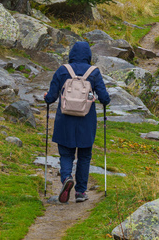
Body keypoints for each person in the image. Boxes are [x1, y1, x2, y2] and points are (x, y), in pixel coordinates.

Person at [43, 41, 110, 203]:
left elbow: (51, 97)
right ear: (88, 55)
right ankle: (80, 192)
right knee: (85, 156)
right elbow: (105, 98)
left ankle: (66, 177)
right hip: (86, 121)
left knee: (66, 153)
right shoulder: (94, 72)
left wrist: (46, 97)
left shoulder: (63, 70)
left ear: (71, 54)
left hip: (65, 120)